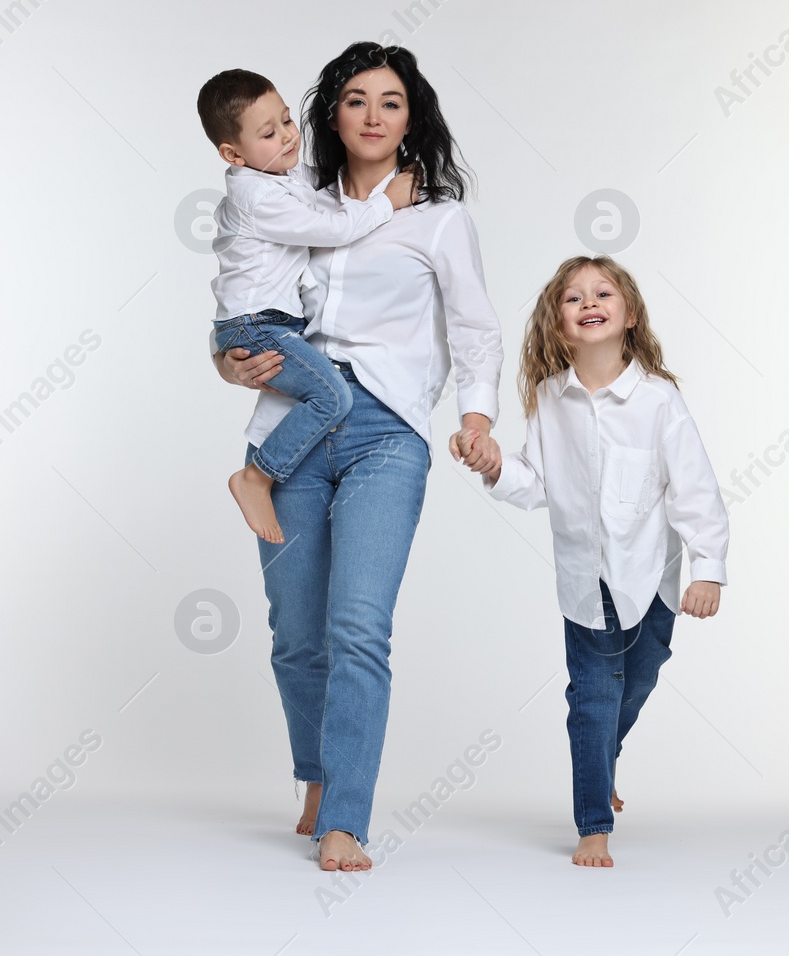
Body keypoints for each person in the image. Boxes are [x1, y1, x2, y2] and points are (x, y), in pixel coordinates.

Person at [212, 43, 503, 871]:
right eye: (355, 100)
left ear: (413, 118)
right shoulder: (281, 195)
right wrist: (231, 363)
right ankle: (313, 773)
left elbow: (476, 329)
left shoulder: (439, 218)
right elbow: (239, 304)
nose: (373, 116)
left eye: (392, 102)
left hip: (386, 433)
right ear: (329, 114)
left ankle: (346, 813)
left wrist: (476, 419)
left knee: (357, 627)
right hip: (290, 420)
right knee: (295, 632)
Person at [455, 254, 729, 867]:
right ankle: (593, 824)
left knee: (642, 675)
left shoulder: (659, 401)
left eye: (602, 293)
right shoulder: (550, 399)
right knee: (593, 697)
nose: (588, 303)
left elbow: (695, 489)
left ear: (628, 314)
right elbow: (535, 483)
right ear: (558, 324)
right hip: (585, 580)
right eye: (572, 298)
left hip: (652, 575)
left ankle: (602, 759)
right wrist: (498, 465)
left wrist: (707, 567)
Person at [198, 69, 419, 544]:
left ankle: (261, 476)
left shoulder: (280, 177)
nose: (287, 137)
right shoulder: (257, 195)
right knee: (333, 396)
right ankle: (257, 478)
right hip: (258, 327)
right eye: (268, 133)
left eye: (286, 121)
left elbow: (321, 192)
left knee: (325, 394)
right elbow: (336, 228)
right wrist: (390, 201)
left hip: (254, 326)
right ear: (233, 154)